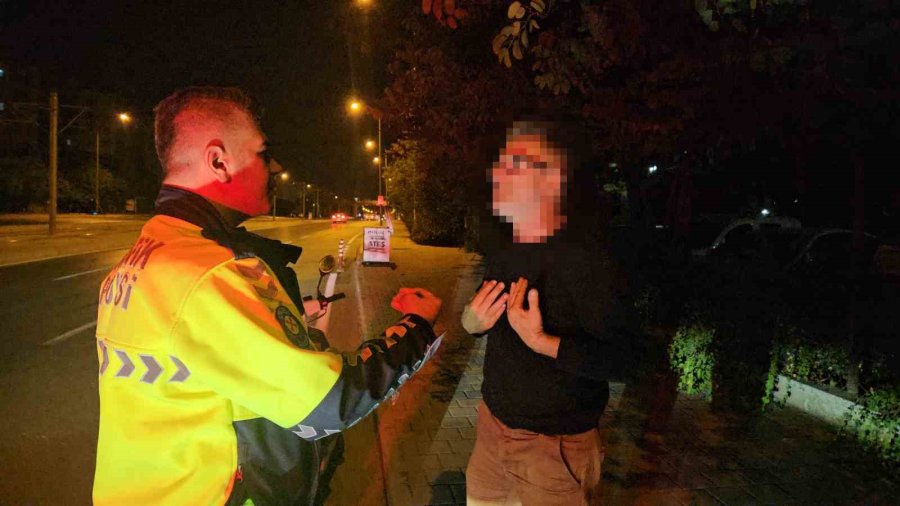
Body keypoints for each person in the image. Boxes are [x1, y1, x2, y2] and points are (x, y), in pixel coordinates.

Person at [93, 86, 443, 506]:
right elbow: (330, 401)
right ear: (218, 161)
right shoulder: (208, 273)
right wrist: (416, 329)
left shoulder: (142, 255)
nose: (274, 167)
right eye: (261, 152)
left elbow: (200, 363)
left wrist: (276, 325)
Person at [462, 120, 636, 505]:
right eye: (502, 163)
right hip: (492, 433)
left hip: (554, 455)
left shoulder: (587, 259)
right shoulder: (508, 248)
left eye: (517, 164)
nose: (499, 173)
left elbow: (626, 359)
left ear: (553, 182)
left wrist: (544, 342)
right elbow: (478, 312)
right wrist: (471, 322)